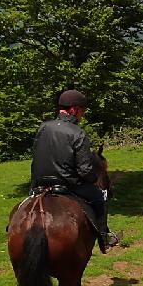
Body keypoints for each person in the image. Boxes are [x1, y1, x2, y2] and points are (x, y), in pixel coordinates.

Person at [30, 89, 122, 254]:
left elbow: (36, 156)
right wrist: (94, 179)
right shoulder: (77, 133)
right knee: (99, 198)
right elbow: (84, 169)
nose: (82, 115)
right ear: (74, 109)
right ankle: (104, 237)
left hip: (38, 185)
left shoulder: (43, 127)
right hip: (67, 184)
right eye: (82, 111)